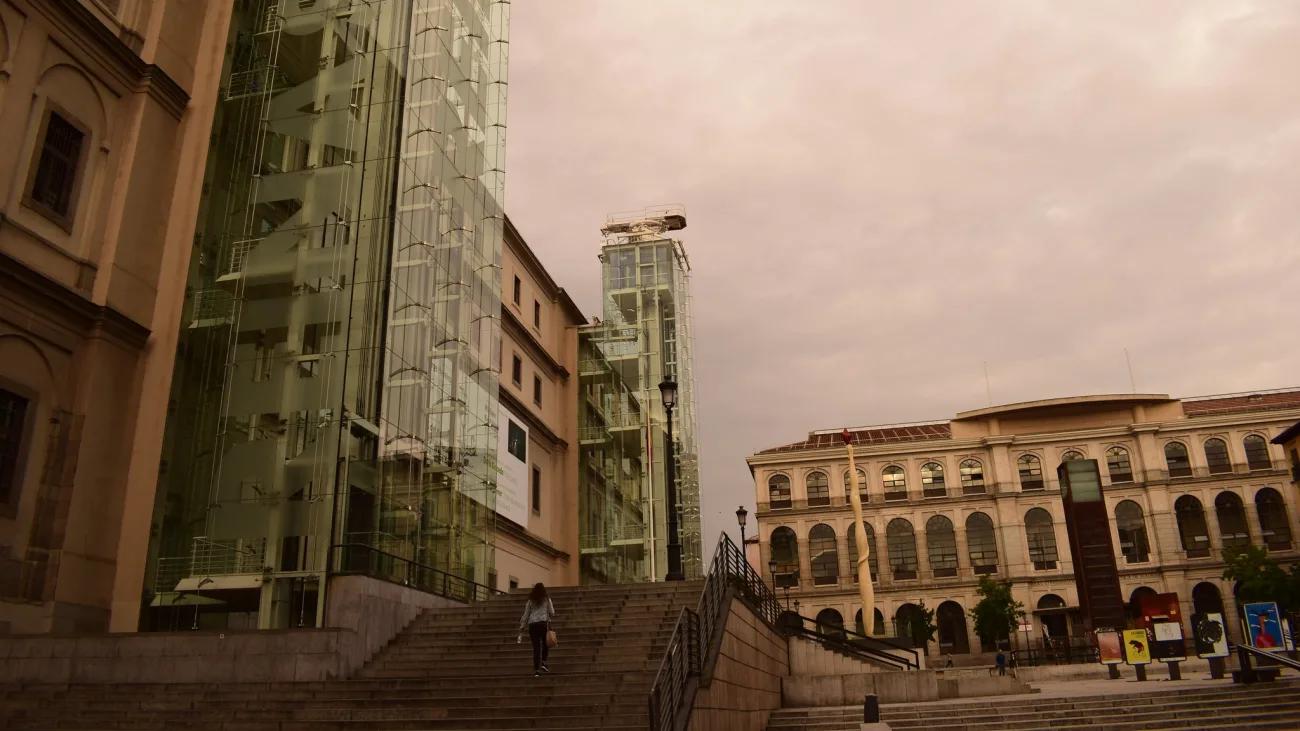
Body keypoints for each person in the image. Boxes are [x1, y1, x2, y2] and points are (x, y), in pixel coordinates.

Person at [518, 582, 556, 676]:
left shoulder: (531, 600)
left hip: (533, 625)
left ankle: (536, 670)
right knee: (545, 644)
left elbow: (526, 614)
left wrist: (522, 626)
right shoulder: (547, 598)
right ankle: (543, 662)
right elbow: (552, 612)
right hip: (543, 624)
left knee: (536, 647)